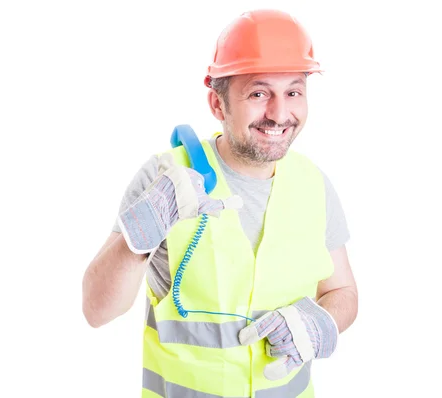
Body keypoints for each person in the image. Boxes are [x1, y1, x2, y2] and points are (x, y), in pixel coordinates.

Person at [82, 8, 358, 398]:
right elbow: (96, 310)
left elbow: (343, 291)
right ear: (217, 104)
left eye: (293, 91)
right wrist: (144, 227)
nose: (280, 113)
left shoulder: (314, 184)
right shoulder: (166, 178)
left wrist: (320, 322)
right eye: (259, 93)